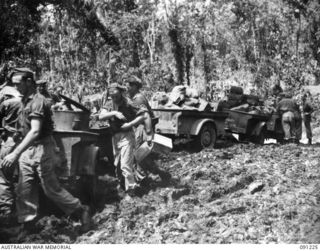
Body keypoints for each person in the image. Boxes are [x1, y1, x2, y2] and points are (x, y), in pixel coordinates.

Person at [1, 68, 91, 233]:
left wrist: (15, 153)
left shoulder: (38, 101)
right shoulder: (24, 101)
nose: (16, 88)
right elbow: (24, 126)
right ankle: (27, 224)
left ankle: (80, 209)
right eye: (13, 85)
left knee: (50, 189)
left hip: (42, 148)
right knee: (24, 189)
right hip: (27, 149)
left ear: (29, 82)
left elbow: (35, 131)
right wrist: (14, 138)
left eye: (18, 84)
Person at [98, 83, 146, 197]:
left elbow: (142, 115)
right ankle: (122, 187)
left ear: (120, 93)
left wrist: (130, 124)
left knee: (125, 165)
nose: (114, 98)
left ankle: (131, 191)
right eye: (112, 96)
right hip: (115, 137)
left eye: (116, 95)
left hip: (127, 135)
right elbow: (101, 116)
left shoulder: (128, 103)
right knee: (117, 164)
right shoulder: (109, 103)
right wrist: (115, 113)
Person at [0, 95, 22, 225]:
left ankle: (6, 211)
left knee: (3, 175)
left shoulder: (6, 103)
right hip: (27, 141)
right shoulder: (32, 102)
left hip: (10, 140)